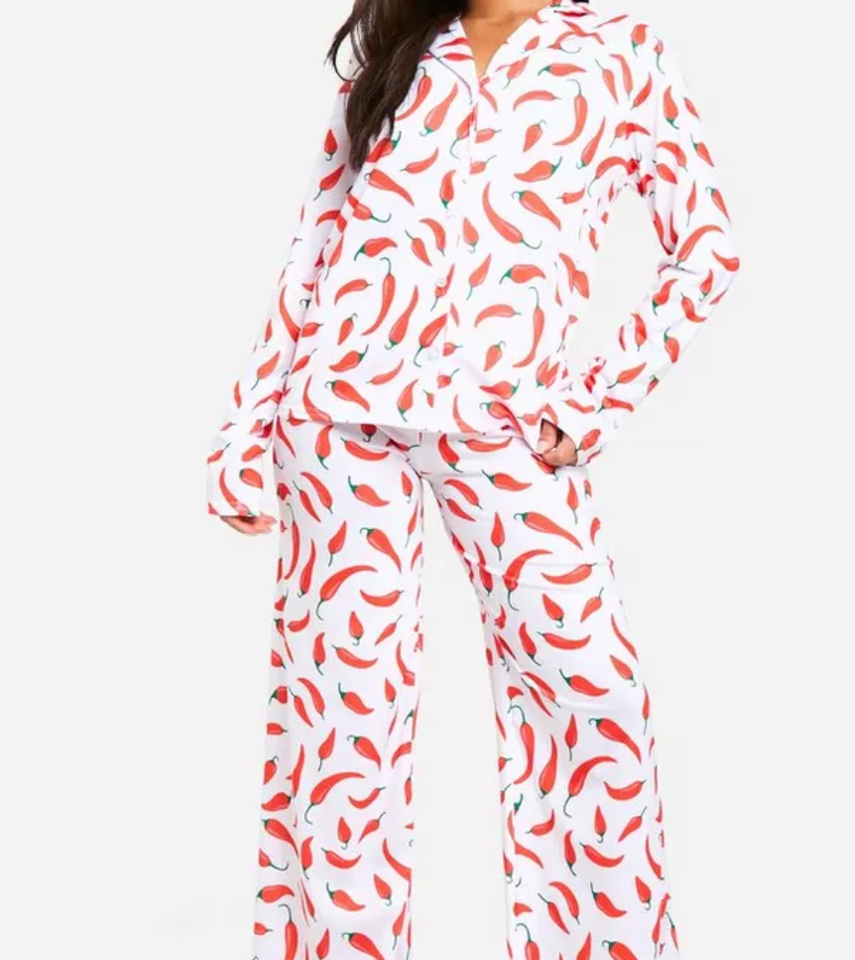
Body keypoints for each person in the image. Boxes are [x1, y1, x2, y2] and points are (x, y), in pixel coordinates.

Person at [205, 0, 739, 957]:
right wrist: (247, 425)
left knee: (593, 686)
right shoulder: (401, 46)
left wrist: (591, 405)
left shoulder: (619, 51)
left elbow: (706, 249)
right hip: (340, 413)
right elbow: (316, 243)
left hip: (509, 422)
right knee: (345, 722)